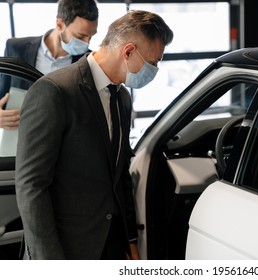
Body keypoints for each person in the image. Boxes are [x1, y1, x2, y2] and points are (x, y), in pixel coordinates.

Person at [15, 10, 174, 260]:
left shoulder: (121, 98)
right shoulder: (54, 91)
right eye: (153, 62)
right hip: (64, 248)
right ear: (129, 51)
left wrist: (130, 240)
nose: (154, 69)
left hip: (110, 245)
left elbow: (119, 175)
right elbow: (31, 185)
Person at [0, 0, 99, 130]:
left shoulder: (89, 61)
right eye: (80, 36)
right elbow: (1, 93)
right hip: (18, 139)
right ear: (60, 24)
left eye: (90, 37)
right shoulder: (16, 48)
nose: (86, 43)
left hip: (64, 144)